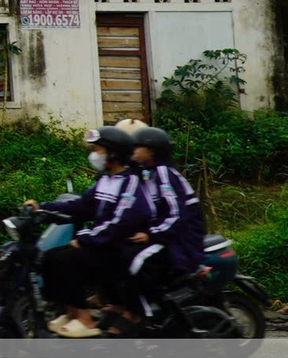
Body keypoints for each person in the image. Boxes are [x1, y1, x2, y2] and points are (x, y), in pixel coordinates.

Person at [38, 125, 152, 337]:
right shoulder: (105, 180)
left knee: (67, 260)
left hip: (120, 247)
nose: (94, 155)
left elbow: (121, 222)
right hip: (103, 244)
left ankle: (85, 319)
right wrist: (43, 208)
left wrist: (86, 238)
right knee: (50, 257)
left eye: (98, 150)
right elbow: (81, 206)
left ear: (114, 153)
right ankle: (71, 312)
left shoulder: (131, 182)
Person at [127, 125, 206, 311]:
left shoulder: (164, 173)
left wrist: (151, 235)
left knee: (135, 261)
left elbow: (177, 213)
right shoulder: (148, 173)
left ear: (152, 151)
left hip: (182, 238)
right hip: (169, 233)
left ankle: (147, 310)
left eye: (137, 148)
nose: (134, 152)